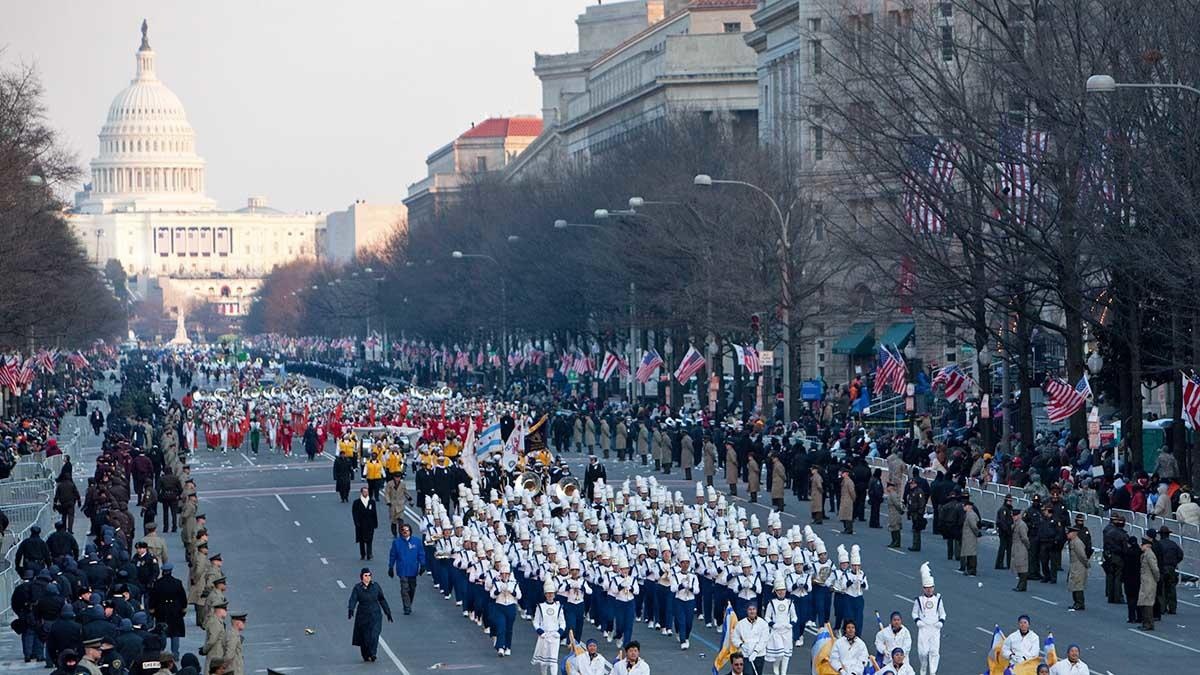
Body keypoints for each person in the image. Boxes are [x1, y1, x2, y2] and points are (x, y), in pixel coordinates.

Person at [348, 568, 393, 662]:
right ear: (362, 577)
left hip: (375, 615)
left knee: (374, 634)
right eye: (366, 575)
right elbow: (353, 599)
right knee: (364, 637)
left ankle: (373, 653)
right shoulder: (357, 588)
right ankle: (365, 655)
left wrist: (388, 612)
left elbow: (381, 599)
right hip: (363, 616)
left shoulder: (375, 586)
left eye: (369, 575)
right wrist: (351, 609)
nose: (368, 577)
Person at [149, 563, 187, 659]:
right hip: (175, 609)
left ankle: (161, 653)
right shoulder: (177, 582)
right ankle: (175, 654)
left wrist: (152, 609)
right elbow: (182, 597)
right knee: (175, 633)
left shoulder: (158, 583)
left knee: (162, 632)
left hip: (161, 609)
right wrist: (183, 608)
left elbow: (153, 597)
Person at [911, 564, 944, 675]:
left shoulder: (938, 599)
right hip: (924, 628)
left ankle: (933, 671)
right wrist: (918, 621)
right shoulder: (919, 600)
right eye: (927, 588)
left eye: (931, 587)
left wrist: (940, 622)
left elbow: (942, 613)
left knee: (934, 652)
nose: (929, 590)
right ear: (923, 588)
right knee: (923, 652)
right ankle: (923, 666)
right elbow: (914, 613)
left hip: (934, 628)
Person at [387, 521, 425, 615]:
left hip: (413, 569)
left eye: (407, 531)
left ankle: (409, 602)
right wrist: (391, 567)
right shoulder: (397, 543)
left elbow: (421, 554)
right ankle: (407, 607)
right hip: (402, 569)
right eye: (403, 531)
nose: (405, 532)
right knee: (404, 588)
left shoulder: (417, 542)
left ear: (410, 532)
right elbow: (393, 555)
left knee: (412, 588)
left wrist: (423, 565)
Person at [764, 577, 797, 675]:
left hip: (787, 631)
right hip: (776, 631)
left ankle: (783, 672)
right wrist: (773, 625)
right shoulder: (772, 603)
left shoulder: (790, 602)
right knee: (780, 653)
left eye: (783, 590)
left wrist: (791, 624)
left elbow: (794, 616)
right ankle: (776, 665)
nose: (781, 592)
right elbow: (767, 617)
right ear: (776, 591)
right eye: (779, 590)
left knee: (786, 654)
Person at [532, 578, 565, 675]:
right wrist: (540, 632)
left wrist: (559, 633)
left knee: (553, 660)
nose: (550, 595)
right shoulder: (540, 606)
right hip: (544, 635)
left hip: (555, 636)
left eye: (552, 593)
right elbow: (536, 622)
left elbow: (562, 622)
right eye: (548, 593)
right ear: (545, 595)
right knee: (544, 660)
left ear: (554, 594)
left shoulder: (559, 607)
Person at [488, 561, 521, 656]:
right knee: (501, 626)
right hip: (500, 606)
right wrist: (499, 591)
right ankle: (500, 647)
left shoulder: (514, 583)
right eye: (503, 574)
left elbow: (519, 596)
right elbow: (492, 595)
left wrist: (512, 591)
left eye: (507, 574)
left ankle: (508, 646)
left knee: (509, 628)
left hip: (510, 606)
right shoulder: (497, 583)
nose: (505, 576)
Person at [732, 603, 768, 675]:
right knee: (748, 673)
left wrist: (755, 651)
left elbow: (764, 640)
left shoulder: (763, 623)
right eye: (750, 609)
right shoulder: (740, 624)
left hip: (759, 655)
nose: (752, 611)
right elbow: (734, 638)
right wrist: (741, 644)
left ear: (756, 610)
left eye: (754, 609)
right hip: (745, 655)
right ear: (747, 611)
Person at [1157, 526, 1183, 615]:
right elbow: (1180, 555)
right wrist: (1175, 562)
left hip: (1162, 567)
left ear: (1160, 535)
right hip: (1171, 568)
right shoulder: (1173, 544)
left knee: (1162, 588)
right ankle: (1172, 608)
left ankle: (1162, 608)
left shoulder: (1158, 544)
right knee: (1171, 588)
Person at [352, 486, 379, 561]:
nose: (365, 493)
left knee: (370, 539)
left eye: (366, 492)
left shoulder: (372, 502)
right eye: (364, 492)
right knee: (361, 540)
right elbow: (355, 514)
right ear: (361, 493)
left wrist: (375, 523)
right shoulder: (356, 502)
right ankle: (363, 554)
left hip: (370, 524)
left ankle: (369, 554)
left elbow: (374, 513)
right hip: (361, 524)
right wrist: (356, 523)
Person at [1138, 537, 1159, 631]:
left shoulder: (1149, 555)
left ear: (1147, 545)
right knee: (1144, 601)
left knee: (1147, 602)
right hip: (1145, 581)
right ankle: (1145, 622)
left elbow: (1155, 569)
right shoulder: (1145, 554)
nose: (1140, 546)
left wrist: (1156, 579)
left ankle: (1148, 624)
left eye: (1142, 545)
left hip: (1149, 582)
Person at [1066, 527, 1090, 611]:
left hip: (1078, 565)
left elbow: (1082, 555)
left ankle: (1079, 603)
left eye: (1069, 533)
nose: (1067, 534)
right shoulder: (1072, 542)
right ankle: (1076, 602)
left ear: (1074, 533)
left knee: (1078, 584)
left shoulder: (1077, 542)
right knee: (1074, 584)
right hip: (1074, 565)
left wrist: (1086, 564)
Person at [1011, 510, 1030, 592]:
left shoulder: (1021, 525)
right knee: (1018, 566)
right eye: (1013, 516)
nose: (1013, 517)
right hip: (1016, 546)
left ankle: (1022, 585)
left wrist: (1027, 546)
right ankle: (1021, 585)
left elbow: (1024, 538)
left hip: (1021, 547)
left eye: (1015, 515)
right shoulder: (1016, 524)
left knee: (1022, 566)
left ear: (1019, 515)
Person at [960, 502, 980, 576]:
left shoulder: (971, 515)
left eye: (964, 506)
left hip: (970, 536)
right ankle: (969, 569)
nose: (963, 507)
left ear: (968, 506)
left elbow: (973, 526)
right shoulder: (969, 514)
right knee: (969, 552)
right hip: (968, 536)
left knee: (971, 553)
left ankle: (972, 569)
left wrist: (977, 533)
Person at [995, 496, 1014, 569]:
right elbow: (1002, 521)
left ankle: (1009, 564)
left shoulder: (1010, 509)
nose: (1010, 502)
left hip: (1009, 531)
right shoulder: (1003, 509)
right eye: (1008, 501)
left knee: (1009, 549)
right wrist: (1006, 530)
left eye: (1010, 501)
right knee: (1002, 548)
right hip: (1004, 531)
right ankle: (999, 564)